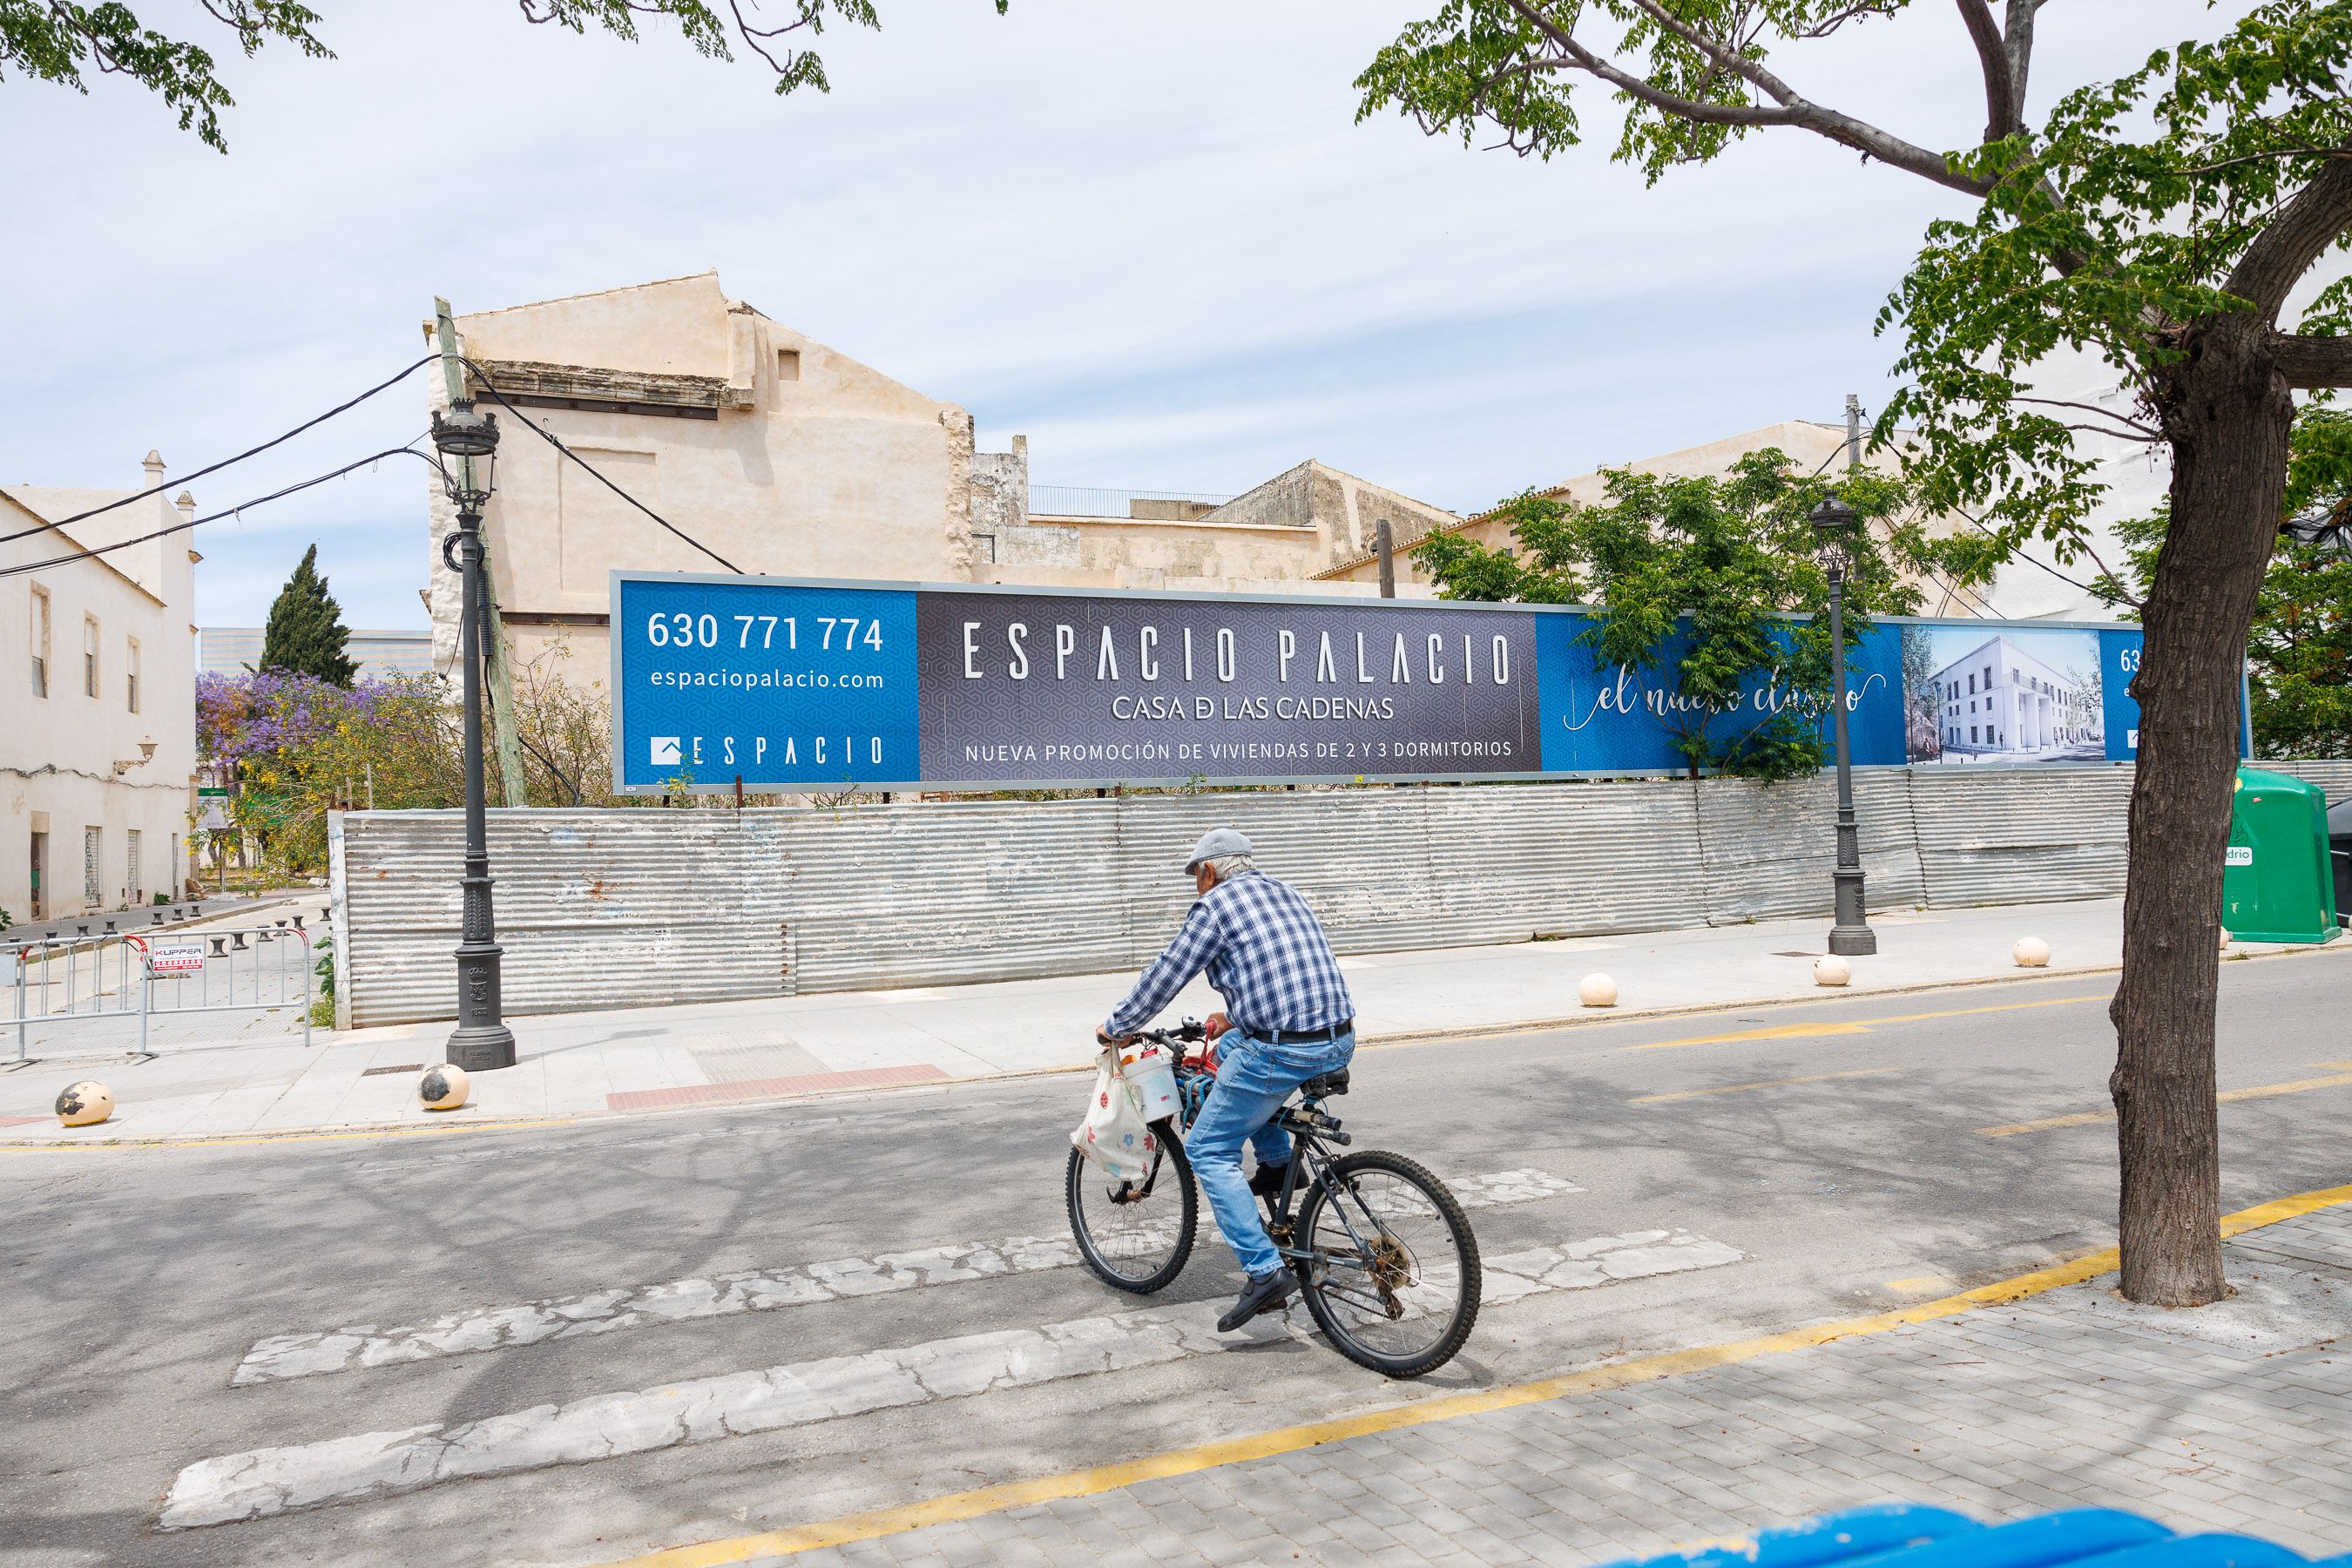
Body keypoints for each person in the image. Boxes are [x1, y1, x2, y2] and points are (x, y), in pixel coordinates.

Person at [1097, 827, 1356, 1333]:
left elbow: (1165, 975)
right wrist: (1234, 1016)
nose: (1197, 886)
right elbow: (1288, 973)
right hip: (1337, 1037)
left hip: (1284, 1048)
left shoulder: (1215, 907)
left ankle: (1263, 1272)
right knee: (1235, 1051)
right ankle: (1281, 1166)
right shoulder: (1285, 892)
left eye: (1196, 877)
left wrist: (1117, 1026)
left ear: (1209, 872)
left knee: (1209, 1151)